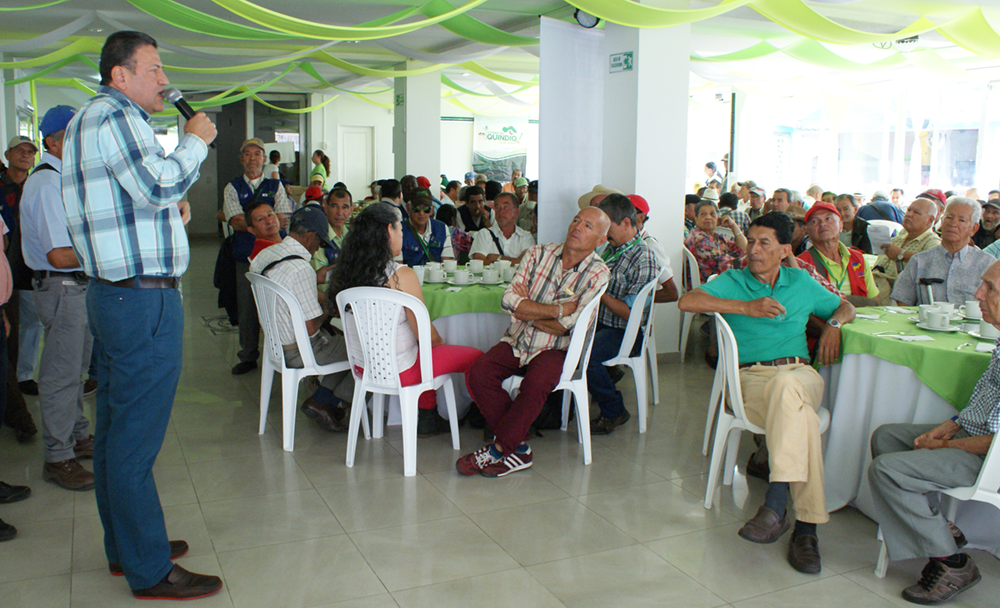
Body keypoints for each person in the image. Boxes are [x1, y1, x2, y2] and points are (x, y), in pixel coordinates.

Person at [61, 30, 222, 599]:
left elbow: (142, 198)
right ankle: (149, 568)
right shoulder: (117, 118)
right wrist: (195, 141)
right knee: (134, 439)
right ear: (119, 75)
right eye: (153, 68)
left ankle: (124, 546)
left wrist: (170, 203)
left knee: (112, 433)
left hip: (114, 294)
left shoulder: (90, 121)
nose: (163, 79)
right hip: (142, 299)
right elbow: (159, 182)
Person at [678, 212, 855, 575]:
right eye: (751, 241)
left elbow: (844, 305)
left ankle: (777, 505)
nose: (752, 250)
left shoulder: (800, 281)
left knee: (789, 385)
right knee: (799, 414)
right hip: (751, 380)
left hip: (801, 374)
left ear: (784, 250)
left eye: (764, 244)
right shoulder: (734, 281)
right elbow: (687, 302)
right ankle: (807, 530)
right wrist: (745, 308)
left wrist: (834, 324)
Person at [867, 260, 1000, 605]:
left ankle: (951, 562)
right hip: (978, 438)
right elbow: (984, 401)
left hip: (992, 458)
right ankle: (939, 529)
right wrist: (950, 425)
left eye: (990, 289)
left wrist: (938, 447)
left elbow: (995, 443)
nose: (978, 294)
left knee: (887, 470)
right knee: (886, 438)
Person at [458, 208, 611, 477]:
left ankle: (499, 449)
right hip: (518, 339)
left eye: (588, 226)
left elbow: (569, 326)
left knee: (537, 383)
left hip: (556, 349)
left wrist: (529, 313)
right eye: (576, 220)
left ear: (600, 240)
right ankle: (518, 448)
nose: (577, 227)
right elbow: (508, 301)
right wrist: (556, 310)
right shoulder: (538, 254)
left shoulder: (598, 273)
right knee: (478, 373)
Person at [327, 203, 483, 437]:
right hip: (402, 369)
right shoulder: (401, 275)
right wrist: (440, 341)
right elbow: (426, 336)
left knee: (421, 352)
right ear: (389, 231)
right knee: (476, 357)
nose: (402, 234)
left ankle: (428, 417)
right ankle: (488, 418)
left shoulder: (347, 273)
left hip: (363, 366)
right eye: (400, 229)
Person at [19, 105, 96, 492]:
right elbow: (59, 255)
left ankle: (78, 436)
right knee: (60, 377)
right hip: (62, 286)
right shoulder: (48, 184)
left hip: (75, 287)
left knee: (77, 372)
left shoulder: (63, 178)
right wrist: (105, 253)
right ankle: (58, 456)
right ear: (54, 141)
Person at [250, 206, 355, 432]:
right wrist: (328, 306)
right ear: (311, 236)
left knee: (339, 340)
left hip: (275, 343)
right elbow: (310, 328)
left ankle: (323, 400)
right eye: (320, 242)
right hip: (300, 350)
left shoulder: (265, 255)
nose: (318, 247)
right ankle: (335, 402)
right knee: (363, 348)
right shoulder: (300, 268)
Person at [587, 195, 660, 434]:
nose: (604, 233)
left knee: (586, 355)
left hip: (626, 332)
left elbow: (631, 314)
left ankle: (614, 409)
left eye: (609, 227)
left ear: (627, 223)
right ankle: (560, 406)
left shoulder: (643, 258)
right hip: (602, 323)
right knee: (558, 339)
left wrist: (599, 290)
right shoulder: (612, 249)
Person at [224, 137, 293, 376]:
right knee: (247, 308)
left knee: (279, 306)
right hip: (246, 257)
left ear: (264, 159)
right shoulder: (232, 187)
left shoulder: (276, 186)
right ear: (241, 159)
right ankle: (248, 356)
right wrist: (268, 221)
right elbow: (234, 220)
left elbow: (284, 218)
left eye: (257, 154)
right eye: (247, 154)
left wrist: (253, 222)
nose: (252, 158)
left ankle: (282, 353)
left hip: (275, 257)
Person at [0, 135, 39, 443]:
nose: (25, 156)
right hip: (7, 270)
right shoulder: (3, 188)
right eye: (20, 151)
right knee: (10, 332)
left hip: (31, 265)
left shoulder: (36, 185)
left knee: (31, 323)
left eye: (30, 152)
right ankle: (16, 412)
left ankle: (24, 376)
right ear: (8, 154)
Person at [892, 197, 994, 306]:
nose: (953, 224)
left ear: (973, 228)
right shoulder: (919, 261)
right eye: (949, 217)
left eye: (962, 220)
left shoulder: (987, 264)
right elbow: (902, 302)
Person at [796, 202, 878, 303]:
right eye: (814, 221)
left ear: (841, 225)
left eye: (828, 219)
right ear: (807, 230)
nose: (823, 224)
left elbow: (874, 302)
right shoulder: (801, 264)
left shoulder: (858, 259)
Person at [871, 197, 941, 304]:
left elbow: (931, 264)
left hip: (893, 292)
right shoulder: (902, 235)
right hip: (874, 281)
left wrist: (901, 254)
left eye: (916, 213)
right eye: (908, 210)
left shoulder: (932, 242)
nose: (909, 214)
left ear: (930, 220)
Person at [684, 199, 747, 285]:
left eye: (712, 214)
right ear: (696, 218)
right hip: (708, 287)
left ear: (718, 217)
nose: (708, 217)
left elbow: (743, 248)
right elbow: (726, 263)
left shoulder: (716, 236)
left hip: (722, 281)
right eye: (703, 214)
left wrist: (733, 226)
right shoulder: (698, 238)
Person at [630, 194, 679, 303]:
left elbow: (672, 293)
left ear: (641, 217)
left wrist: (636, 300)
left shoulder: (650, 246)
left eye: (627, 213)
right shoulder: (619, 242)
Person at [469, 192, 535, 265]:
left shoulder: (525, 237)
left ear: (516, 212)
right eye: (497, 207)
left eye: (505, 207)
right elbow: (479, 262)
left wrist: (498, 257)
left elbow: (526, 263)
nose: (501, 211)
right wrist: (515, 261)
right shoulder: (484, 234)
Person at [397, 194, 454, 266]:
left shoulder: (442, 228)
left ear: (432, 210)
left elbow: (447, 263)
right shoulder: (398, 229)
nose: (421, 213)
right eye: (416, 209)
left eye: (426, 209)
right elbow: (397, 267)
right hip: (409, 276)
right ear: (408, 209)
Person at [312, 188, 353, 284]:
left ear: (351, 210)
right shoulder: (318, 239)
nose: (340, 212)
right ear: (326, 208)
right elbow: (318, 280)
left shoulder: (352, 237)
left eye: (344, 207)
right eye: (335, 206)